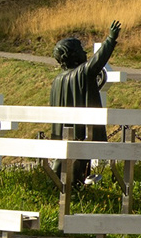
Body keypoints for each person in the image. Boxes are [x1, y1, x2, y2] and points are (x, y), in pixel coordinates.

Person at [50, 21, 121, 187]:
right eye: (81, 49)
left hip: (61, 132)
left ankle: (56, 183)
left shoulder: (57, 80)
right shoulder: (81, 73)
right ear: (73, 55)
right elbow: (98, 61)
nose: (84, 52)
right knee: (78, 163)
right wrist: (111, 39)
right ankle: (73, 187)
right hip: (79, 131)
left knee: (62, 160)